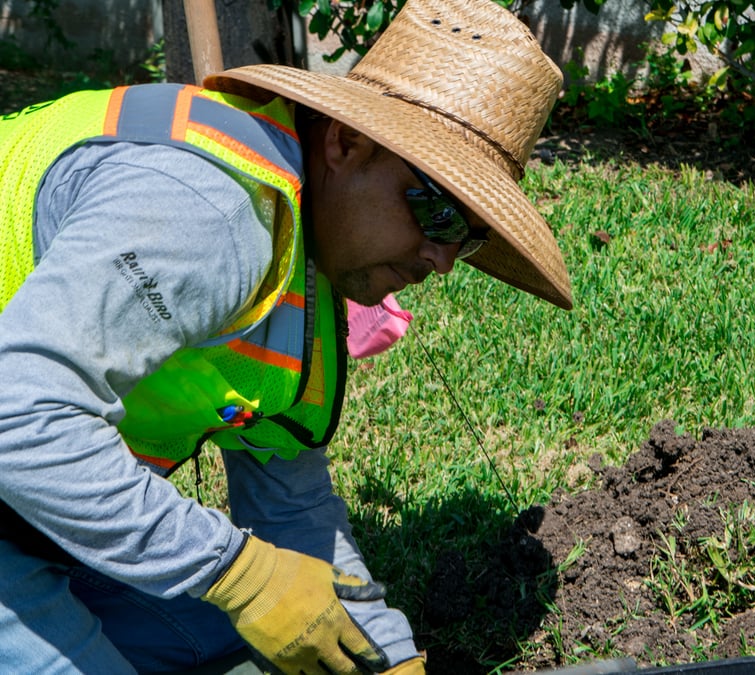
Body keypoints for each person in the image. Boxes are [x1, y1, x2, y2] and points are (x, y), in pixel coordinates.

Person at [0, 0, 572, 671]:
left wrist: (384, 661)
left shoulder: (304, 279)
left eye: (469, 234)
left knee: (273, 638)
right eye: (437, 209)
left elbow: (293, 512)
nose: (443, 257)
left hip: (26, 505)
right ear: (344, 143)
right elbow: (17, 414)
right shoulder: (210, 211)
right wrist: (235, 570)